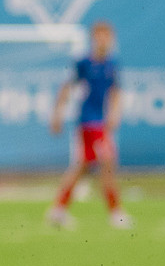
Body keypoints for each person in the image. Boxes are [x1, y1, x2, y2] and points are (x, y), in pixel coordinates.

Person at [47, 20, 130, 230]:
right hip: (89, 122)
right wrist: (57, 114)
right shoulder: (84, 63)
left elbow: (115, 92)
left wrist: (115, 113)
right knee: (108, 161)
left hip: (101, 122)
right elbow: (66, 87)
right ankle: (116, 213)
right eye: (99, 36)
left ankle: (58, 209)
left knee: (83, 167)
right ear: (93, 39)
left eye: (107, 36)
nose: (103, 41)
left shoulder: (111, 64)